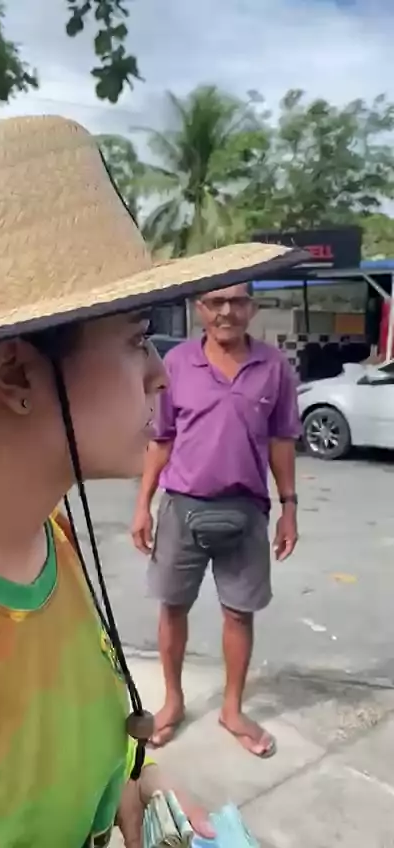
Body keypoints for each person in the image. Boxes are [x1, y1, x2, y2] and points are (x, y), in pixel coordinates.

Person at [0, 115, 303, 847]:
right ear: (14, 371)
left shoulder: (50, 534)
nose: (160, 373)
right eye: (135, 339)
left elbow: (70, 740)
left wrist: (136, 781)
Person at [132, 282, 301, 757]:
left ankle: (232, 709)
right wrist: (143, 504)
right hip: (182, 509)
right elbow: (162, 439)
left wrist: (289, 507)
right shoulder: (177, 365)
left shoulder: (274, 367)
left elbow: (282, 441)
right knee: (172, 607)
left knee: (239, 613)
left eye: (237, 301)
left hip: (246, 512)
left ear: (253, 307)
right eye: (216, 302)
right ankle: (173, 702)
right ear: (199, 308)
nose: (227, 311)